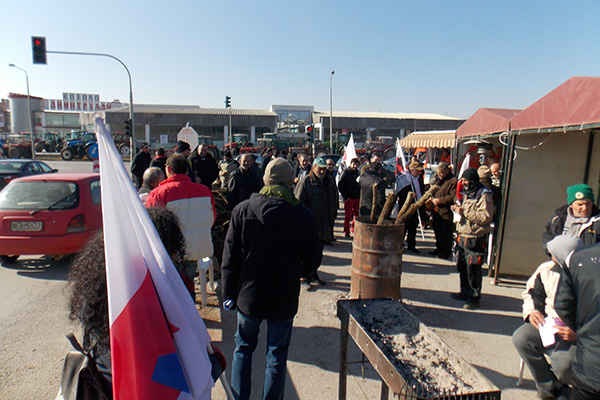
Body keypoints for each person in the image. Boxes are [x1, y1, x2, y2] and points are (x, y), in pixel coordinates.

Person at [221, 157, 321, 400]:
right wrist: (300, 273)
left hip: (249, 295)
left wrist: (228, 293)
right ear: (290, 182)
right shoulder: (303, 216)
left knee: (243, 349)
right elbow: (313, 259)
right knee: (276, 355)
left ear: (265, 180)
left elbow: (230, 258)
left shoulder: (242, 210)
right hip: (284, 295)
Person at [512, 235, 581, 400]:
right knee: (521, 338)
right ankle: (549, 388)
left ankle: (574, 391)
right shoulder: (546, 269)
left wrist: (578, 334)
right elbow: (532, 293)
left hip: (575, 333)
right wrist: (532, 312)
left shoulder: (588, 277)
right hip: (549, 324)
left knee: (562, 365)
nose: (550, 255)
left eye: (553, 253)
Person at [146, 153, 216, 283]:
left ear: (168, 169)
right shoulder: (205, 191)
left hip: (171, 250)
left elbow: (152, 224)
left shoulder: (159, 193)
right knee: (188, 284)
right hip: (196, 248)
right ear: (186, 170)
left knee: (172, 288)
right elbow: (211, 218)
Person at [555, 241, 600, 399]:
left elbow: (563, 305)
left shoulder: (577, 258)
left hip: (589, 369)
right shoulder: (576, 259)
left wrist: (584, 330)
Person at [450, 168, 494, 310]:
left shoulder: (484, 195)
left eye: (466, 180)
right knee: (462, 266)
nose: (464, 183)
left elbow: (485, 217)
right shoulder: (469, 193)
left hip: (475, 237)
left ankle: (474, 297)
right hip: (463, 235)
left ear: (473, 180)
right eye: (463, 180)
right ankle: (464, 291)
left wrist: (464, 212)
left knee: (473, 269)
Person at [542, 184, 600, 256]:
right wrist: (552, 253)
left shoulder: (598, 221)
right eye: (580, 204)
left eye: (588, 204)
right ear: (571, 205)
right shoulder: (558, 219)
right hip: (561, 261)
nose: (585, 208)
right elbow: (547, 236)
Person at [428, 162, 457, 259]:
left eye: (441, 173)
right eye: (438, 173)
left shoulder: (453, 180)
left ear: (446, 171)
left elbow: (452, 197)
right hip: (436, 210)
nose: (439, 174)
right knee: (437, 231)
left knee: (446, 233)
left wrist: (440, 200)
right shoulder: (439, 179)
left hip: (446, 211)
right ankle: (439, 248)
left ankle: (446, 251)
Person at [396, 160, 426, 254]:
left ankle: (411, 245)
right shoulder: (404, 179)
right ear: (412, 170)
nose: (419, 172)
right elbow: (399, 194)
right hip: (406, 206)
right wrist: (409, 196)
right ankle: (399, 244)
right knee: (404, 226)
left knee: (413, 227)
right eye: (418, 170)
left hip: (416, 205)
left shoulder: (419, 178)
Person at [359, 152, 387, 218]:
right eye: (376, 160)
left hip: (365, 205)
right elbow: (380, 199)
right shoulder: (365, 169)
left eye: (379, 160)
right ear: (371, 159)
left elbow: (386, 180)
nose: (377, 162)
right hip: (371, 205)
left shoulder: (383, 170)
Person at [338, 158, 361, 238]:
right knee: (348, 215)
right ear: (350, 164)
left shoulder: (359, 173)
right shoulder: (346, 173)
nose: (355, 166)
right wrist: (345, 196)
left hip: (357, 197)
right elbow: (340, 185)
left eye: (356, 164)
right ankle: (346, 231)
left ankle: (354, 229)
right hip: (349, 197)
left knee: (357, 215)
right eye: (354, 164)